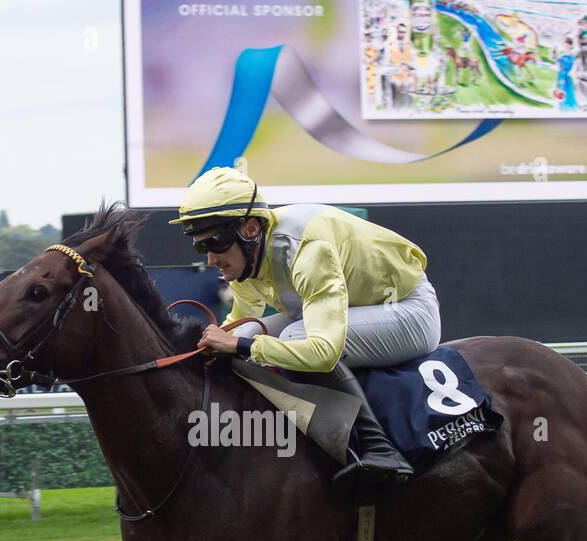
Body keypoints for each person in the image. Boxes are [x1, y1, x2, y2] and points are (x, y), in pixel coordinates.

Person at [175, 166, 442, 488]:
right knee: (246, 333)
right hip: (353, 308)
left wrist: (240, 347)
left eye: (215, 244)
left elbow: (323, 353)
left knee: (291, 338)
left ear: (249, 229)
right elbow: (239, 323)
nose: (211, 260)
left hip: (408, 311)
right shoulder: (246, 257)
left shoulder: (307, 250)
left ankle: (379, 447)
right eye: (201, 247)